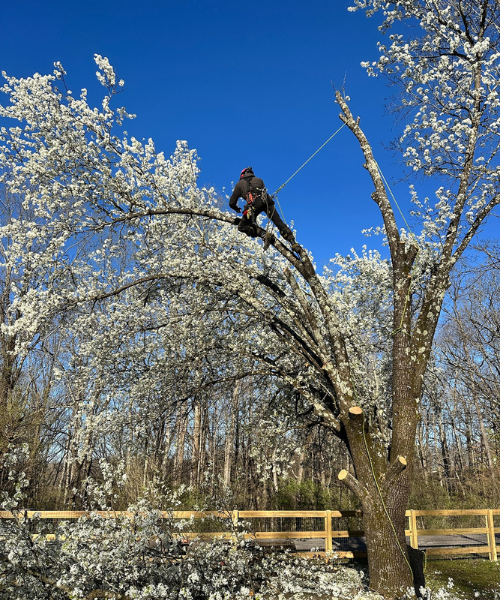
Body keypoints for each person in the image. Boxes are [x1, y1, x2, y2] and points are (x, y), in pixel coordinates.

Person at [229, 167, 300, 252]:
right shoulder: (259, 180)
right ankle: (293, 243)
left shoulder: (239, 184)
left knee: (242, 226)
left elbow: (232, 202)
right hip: (267, 200)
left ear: (242, 175)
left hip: (255, 204)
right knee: (278, 222)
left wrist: (236, 208)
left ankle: (264, 235)